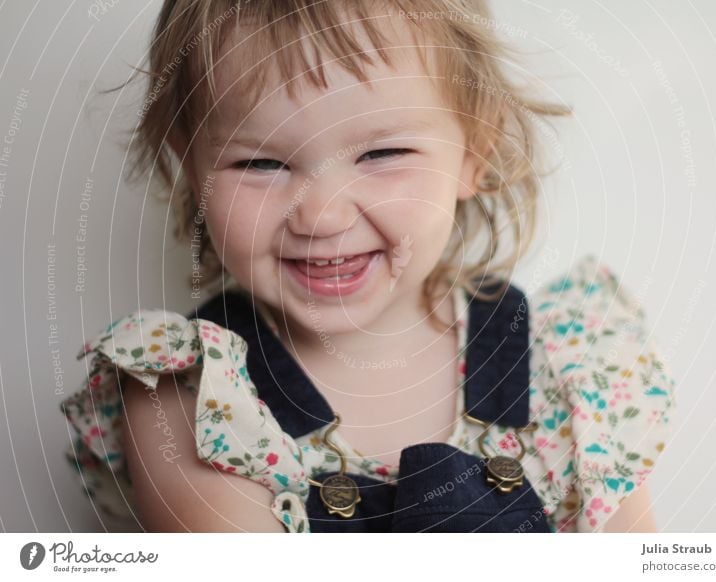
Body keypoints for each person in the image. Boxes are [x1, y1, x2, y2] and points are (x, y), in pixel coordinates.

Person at [60, 0, 676, 533]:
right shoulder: (186, 395)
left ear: (476, 149)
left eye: (382, 153)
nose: (322, 217)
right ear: (191, 169)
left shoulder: (573, 369)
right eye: (261, 164)